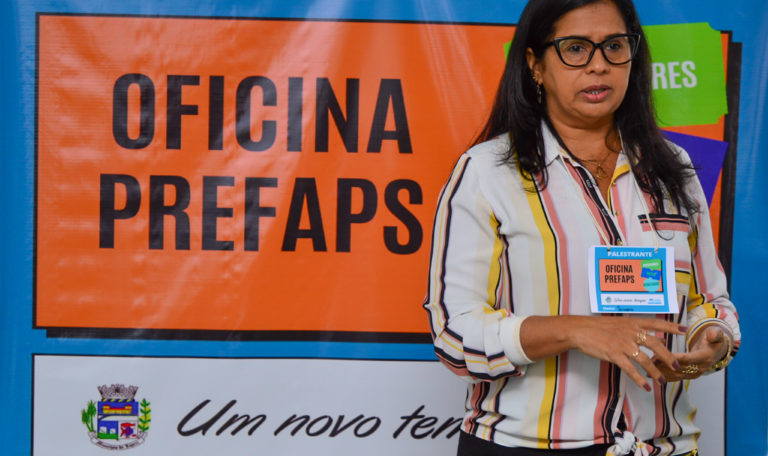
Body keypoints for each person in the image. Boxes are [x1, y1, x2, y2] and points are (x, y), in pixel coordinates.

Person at [422, 0, 741, 455]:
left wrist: (711, 341)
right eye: (575, 48)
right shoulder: (487, 172)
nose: (598, 65)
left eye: (614, 46)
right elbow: (454, 335)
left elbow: (710, 302)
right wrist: (575, 330)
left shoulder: (673, 167)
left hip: (659, 445)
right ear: (535, 64)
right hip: (526, 446)